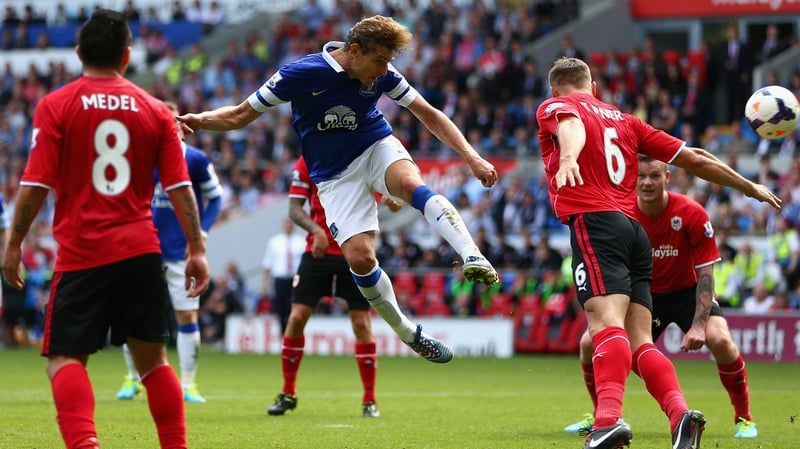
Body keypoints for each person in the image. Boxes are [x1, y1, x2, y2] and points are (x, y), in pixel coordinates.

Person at [178, 15, 500, 363]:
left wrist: (472, 157)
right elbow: (240, 114)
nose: (384, 70)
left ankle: (471, 254)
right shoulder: (300, 73)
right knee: (360, 259)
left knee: (410, 184)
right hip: (334, 176)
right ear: (355, 51)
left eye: (388, 62)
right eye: (379, 61)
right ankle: (409, 333)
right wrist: (201, 120)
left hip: (374, 145)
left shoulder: (383, 73)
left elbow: (429, 113)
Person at [536, 57, 780, 449]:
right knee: (639, 342)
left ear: (554, 91)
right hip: (635, 233)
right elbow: (694, 158)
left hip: (596, 224)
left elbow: (571, 125)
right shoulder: (627, 121)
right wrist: (748, 186)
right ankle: (679, 415)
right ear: (594, 87)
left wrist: (567, 158)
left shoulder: (556, 107)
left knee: (604, 326)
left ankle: (607, 421)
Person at [1, 10, 209, 449]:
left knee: (64, 358)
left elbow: (36, 183)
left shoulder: (56, 105)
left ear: (79, 53)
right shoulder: (155, 110)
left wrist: (14, 242)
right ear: (127, 56)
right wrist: (197, 248)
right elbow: (180, 189)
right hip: (141, 250)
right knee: (154, 363)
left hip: (83, 253)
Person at [564, 156, 758, 439]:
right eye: (641, 176)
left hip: (688, 293)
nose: (647, 183)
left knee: (721, 340)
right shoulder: (622, 213)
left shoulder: (691, 213)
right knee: (587, 344)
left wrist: (698, 325)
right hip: (644, 295)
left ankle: (744, 418)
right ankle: (600, 416)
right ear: (632, 178)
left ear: (667, 177)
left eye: (654, 176)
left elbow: (706, 274)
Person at [267, 156, 401, 418]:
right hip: (317, 251)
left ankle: (369, 399)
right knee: (296, 318)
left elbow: (387, 195)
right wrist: (316, 230)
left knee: (361, 324)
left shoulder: (361, 154)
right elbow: (294, 209)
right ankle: (288, 392)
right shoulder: (308, 159)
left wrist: (392, 200)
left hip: (355, 252)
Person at [116, 101, 223, 404]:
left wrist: (201, 234)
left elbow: (215, 197)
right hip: (142, 247)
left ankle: (188, 385)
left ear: (181, 126)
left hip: (180, 253)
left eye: (170, 121)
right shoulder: (142, 157)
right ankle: (132, 378)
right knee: (131, 313)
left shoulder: (196, 160)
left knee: (186, 315)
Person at [262, 218, 306, 335]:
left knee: (293, 306)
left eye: (290, 224)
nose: (288, 226)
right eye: (286, 224)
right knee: (280, 307)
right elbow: (267, 263)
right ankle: (282, 332)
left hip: (295, 279)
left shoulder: (301, 242)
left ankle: (292, 331)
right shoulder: (274, 242)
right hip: (280, 279)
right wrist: (265, 284)